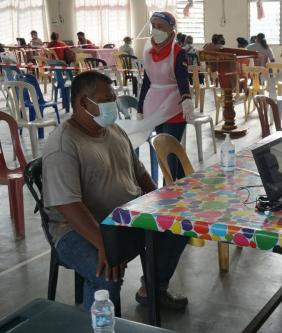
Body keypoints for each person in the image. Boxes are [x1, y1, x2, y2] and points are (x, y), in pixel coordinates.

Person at [42, 71, 189, 311]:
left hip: (125, 217)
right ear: (82, 103)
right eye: (106, 100)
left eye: (113, 99)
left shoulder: (114, 130)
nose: (112, 106)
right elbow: (67, 205)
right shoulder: (63, 145)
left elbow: (140, 173)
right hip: (75, 229)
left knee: (179, 226)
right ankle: (100, 325)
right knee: (105, 274)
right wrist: (103, 243)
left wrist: (164, 206)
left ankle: (153, 290)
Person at [138, 11, 194, 183]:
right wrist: (140, 108)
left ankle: (168, 188)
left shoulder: (178, 52)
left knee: (171, 151)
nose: (156, 30)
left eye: (160, 26)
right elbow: (146, 81)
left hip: (174, 104)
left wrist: (186, 98)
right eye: (153, 26)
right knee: (162, 150)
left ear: (171, 29)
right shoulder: (148, 52)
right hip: (154, 104)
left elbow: (182, 77)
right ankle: (182, 187)